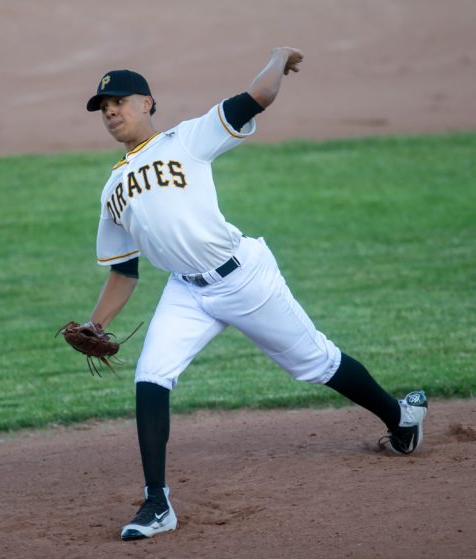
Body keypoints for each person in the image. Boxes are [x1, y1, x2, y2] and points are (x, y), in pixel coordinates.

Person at [82, 47, 428, 541]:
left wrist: (278, 57)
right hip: (185, 293)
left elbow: (258, 96)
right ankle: (157, 504)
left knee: (316, 362)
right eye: (103, 106)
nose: (111, 111)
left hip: (244, 277)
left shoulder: (188, 138)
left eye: (119, 101)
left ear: (147, 103)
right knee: (151, 377)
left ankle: (402, 419)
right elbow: (124, 272)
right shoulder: (113, 188)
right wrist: (96, 323)